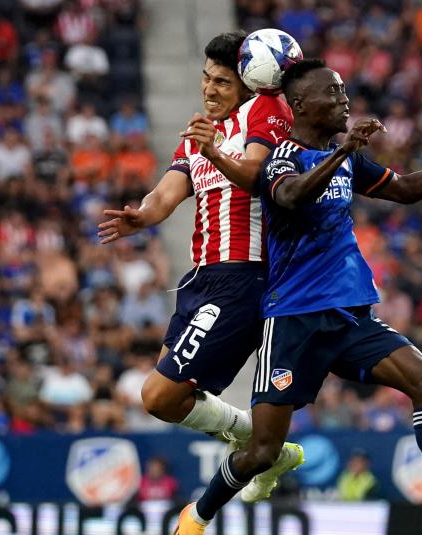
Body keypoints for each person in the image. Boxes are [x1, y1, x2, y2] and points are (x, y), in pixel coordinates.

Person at [167, 59, 422, 535]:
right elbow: (289, 196)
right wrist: (346, 152)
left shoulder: (343, 157)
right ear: (303, 106)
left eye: (345, 92)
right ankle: (196, 516)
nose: (345, 102)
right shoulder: (277, 158)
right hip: (293, 322)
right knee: (263, 450)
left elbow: (403, 189)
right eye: (334, 95)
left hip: (347, 315)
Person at [98, 32, 302, 499]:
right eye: (205, 80)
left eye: (222, 83)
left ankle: (257, 440)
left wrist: (213, 150)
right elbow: (166, 193)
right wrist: (143, 215)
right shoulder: (198, 134)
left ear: (249, 85)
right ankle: (264, 443)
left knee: (159, 395)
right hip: (202, 280)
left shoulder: (263, 113)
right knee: (168, 397)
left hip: (244, 276)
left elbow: (255, 175)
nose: (209, 90)